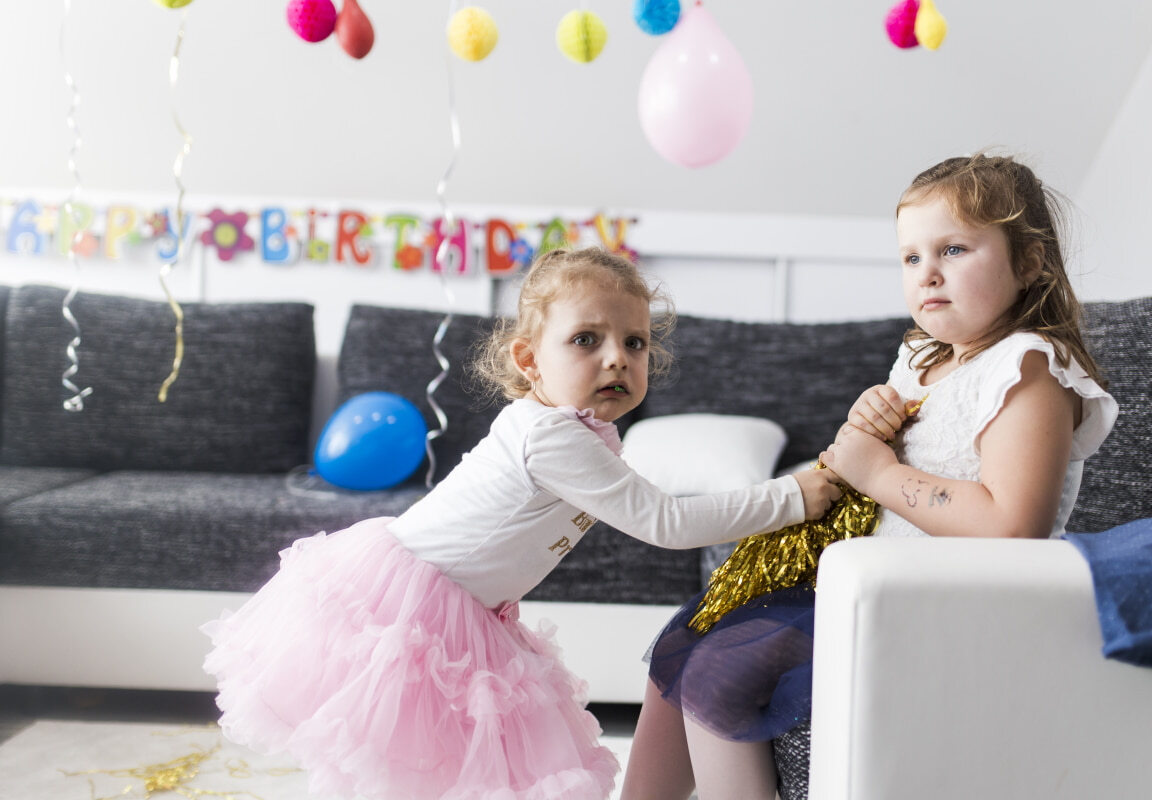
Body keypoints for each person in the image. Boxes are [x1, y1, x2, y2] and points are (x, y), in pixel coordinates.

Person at [201, 246, 842, 800]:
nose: (617, 359)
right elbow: (665, 520)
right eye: (586, 340)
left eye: (635, 342)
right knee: (420, 762)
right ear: (530, 360)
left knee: (467, 764)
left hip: (471, 607)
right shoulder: (552, 437)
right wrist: (790, 496)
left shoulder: (579, 430)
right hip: (416, 605)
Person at [620, 153, 1118, 800]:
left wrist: (878, 468)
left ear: (1029, 262)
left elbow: (1011, 524)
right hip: (878, 580)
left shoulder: (1028, 369)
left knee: (722, 670)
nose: (928, 273)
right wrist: (868, 427)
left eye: (955, 249)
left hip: (952, 606)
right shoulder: (922, 355)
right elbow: (880, 455)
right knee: (687, 633)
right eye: (911, 257)